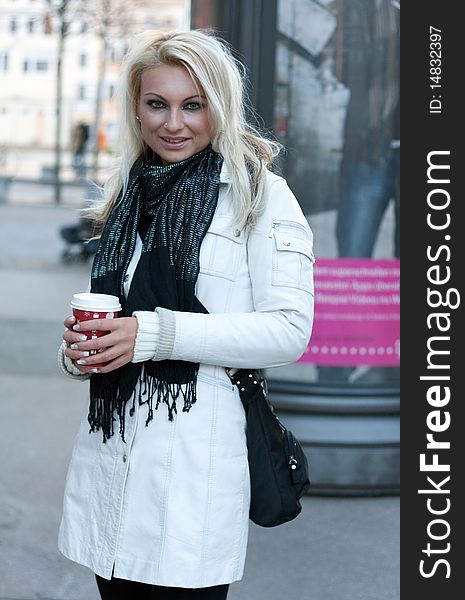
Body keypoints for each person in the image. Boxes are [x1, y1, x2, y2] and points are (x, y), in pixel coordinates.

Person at [57, 29, 314, 599]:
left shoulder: (260, 195)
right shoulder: (129, 194)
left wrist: (152, 333)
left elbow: (289, 331)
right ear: (137, 109)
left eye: (192, 105)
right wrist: (80, 349)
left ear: (218, 106)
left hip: (195, 462)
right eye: (157, 104)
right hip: (113, 452)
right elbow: (113, 313)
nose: (174, 123)